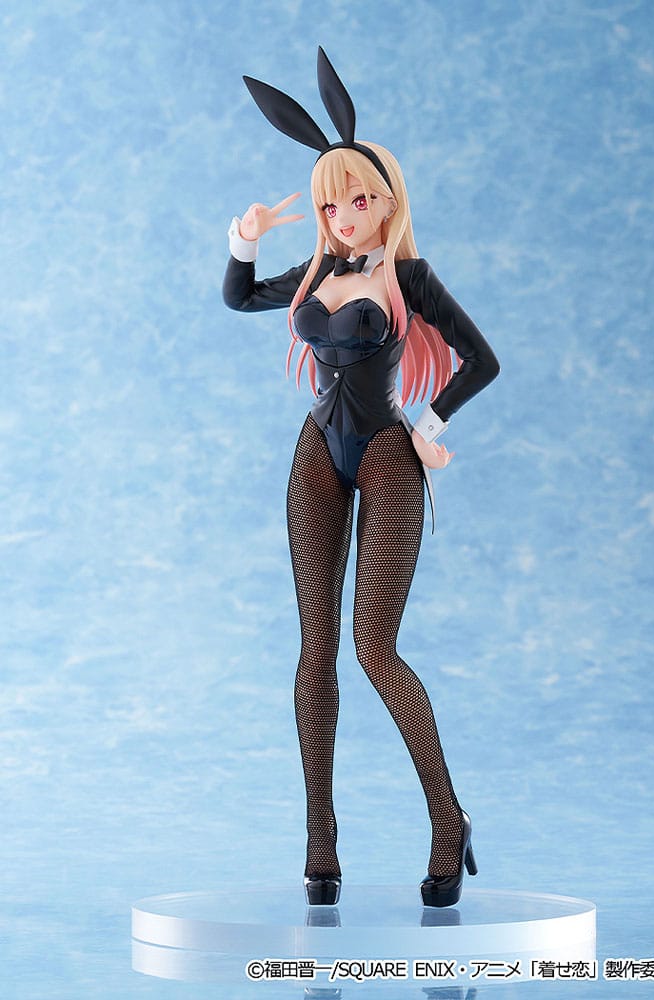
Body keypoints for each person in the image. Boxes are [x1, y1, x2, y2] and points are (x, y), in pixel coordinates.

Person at [223, 49, 499, 907]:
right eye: (330, 205)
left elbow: (481, 360)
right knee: (316, 651)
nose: (344, 217)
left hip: (386, 454)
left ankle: (449, 821)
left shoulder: (407, 277)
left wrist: (429, 424)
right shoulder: (317, 272)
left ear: (388, 200)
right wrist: (245, 239)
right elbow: (238, 297)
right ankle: (321, 840)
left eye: (359, 200)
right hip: (316, 452)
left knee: (374, 649)